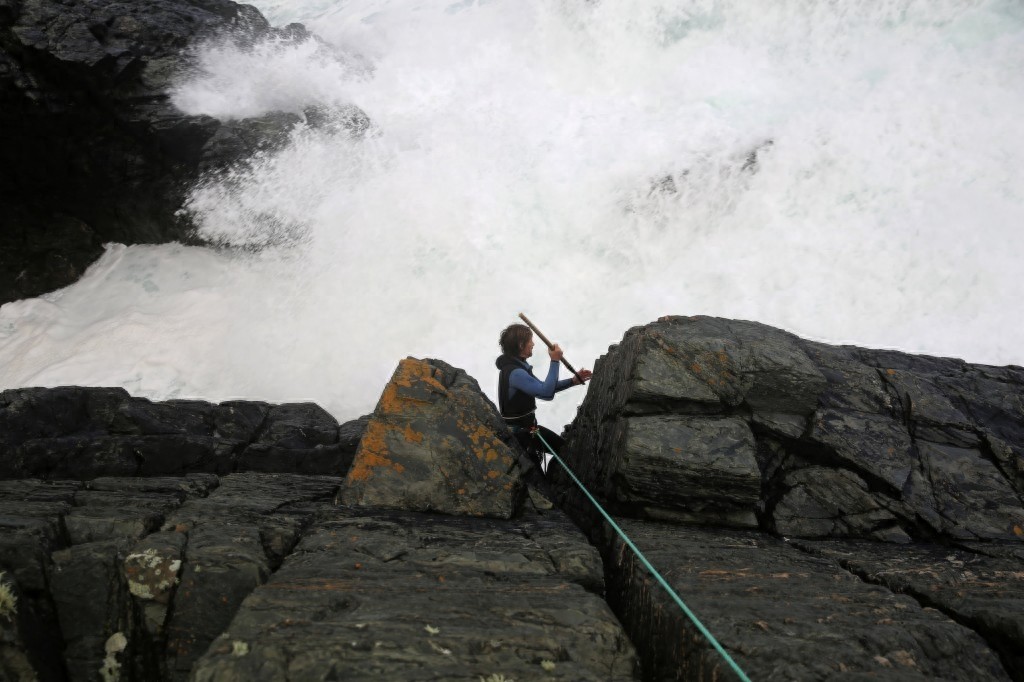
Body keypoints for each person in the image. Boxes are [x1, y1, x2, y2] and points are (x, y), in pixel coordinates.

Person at [495, 323, 593, 473]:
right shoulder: (516, 373)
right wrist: (555, 361)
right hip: (522, 437)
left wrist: (573, 381)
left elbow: (543, 387)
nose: (533, 344)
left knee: (563, 449)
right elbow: (546, 393)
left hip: (529, 430)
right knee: (556, 458)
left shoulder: (516, 367)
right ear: (521, 345)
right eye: (530, 341)